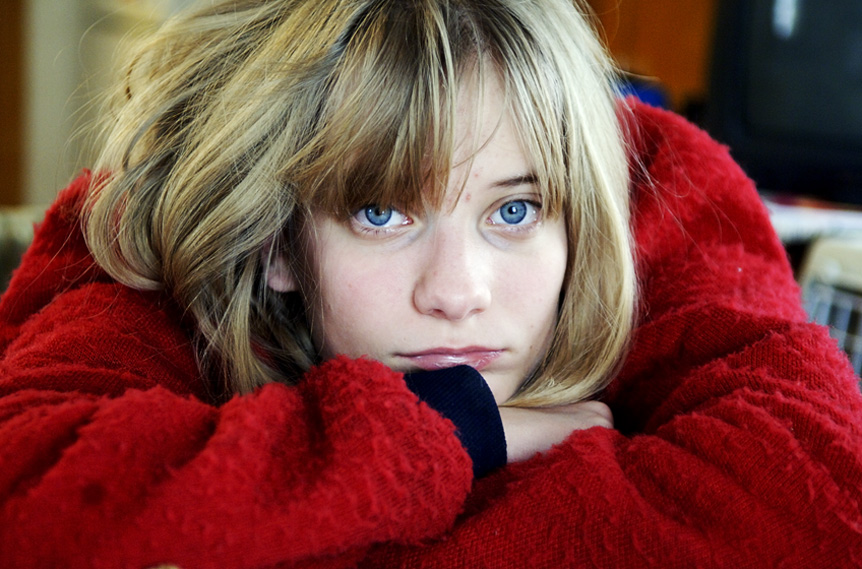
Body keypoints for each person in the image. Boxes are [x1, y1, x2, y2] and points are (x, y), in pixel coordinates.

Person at [0, 0, 860, 567]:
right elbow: (26, 497)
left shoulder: (645, 178)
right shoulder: (163, 213)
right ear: (276, 242)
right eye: (382, 212)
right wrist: (460, 427)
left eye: (514, 212)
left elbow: (820, 502)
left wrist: (270, 515)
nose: (457, 291)